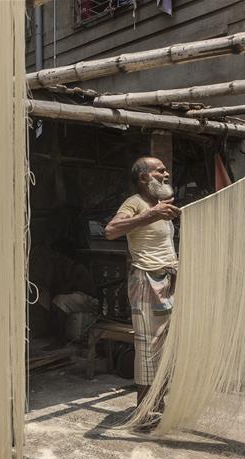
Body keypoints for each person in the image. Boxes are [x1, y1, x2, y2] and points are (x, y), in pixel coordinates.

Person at [104, 156, 180, 407]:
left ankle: (158, 402)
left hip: (167, 279)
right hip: (146, 279)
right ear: (144, 177)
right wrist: (150, 215)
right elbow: (111, 230)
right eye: (160, 171)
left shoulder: (160, 205)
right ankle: (145, 408)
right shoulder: (134, 203)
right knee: (149, 344)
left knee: (166, 344)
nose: (166, 174)